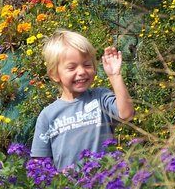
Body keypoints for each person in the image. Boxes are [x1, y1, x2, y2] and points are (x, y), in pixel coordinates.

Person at [30, 29, 134, 170]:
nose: (81, 72)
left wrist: (115, 76)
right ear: (54, 74)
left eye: (87, 65)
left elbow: (126, 114)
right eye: (71, 67)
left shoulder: (100, 98)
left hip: (105, 183)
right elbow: (39, 163)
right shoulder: (47, 116)